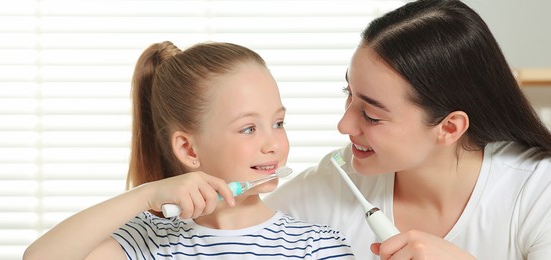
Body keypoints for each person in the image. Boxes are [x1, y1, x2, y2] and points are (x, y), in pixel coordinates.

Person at [264, 0, 551, 259]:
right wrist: (210, 194)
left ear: (449, 127)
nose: (343, 125)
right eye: (348, 95)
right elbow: (232, 224)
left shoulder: (543, 190)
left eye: (371, 115)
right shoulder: (337, 179)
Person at [23, 41, 354, 259]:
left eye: (278, 123)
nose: (274, 145)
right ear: (188, 149)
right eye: (249, 128)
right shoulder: (148, 240)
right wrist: (145, 196)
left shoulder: (316, 246)